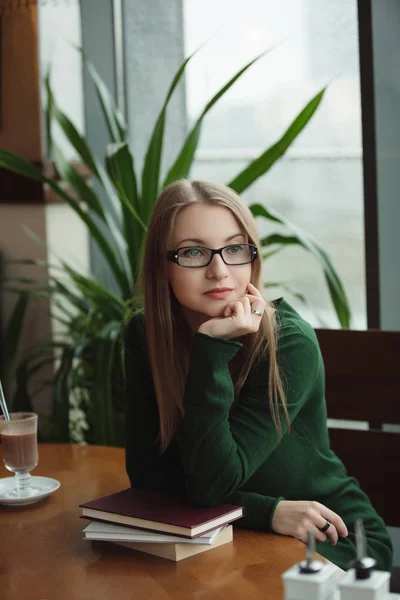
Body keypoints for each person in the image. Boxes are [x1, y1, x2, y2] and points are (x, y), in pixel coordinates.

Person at [124, 179, 392, 571]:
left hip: (326, 534)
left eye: (234, 249)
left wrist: (211, 351)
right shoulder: (146, 335)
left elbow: (209, 484)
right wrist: (268, 512)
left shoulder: (287, 342)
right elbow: (148, 478)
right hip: (229, 532)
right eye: (194, 252)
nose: (219, 271)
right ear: (161, 266)